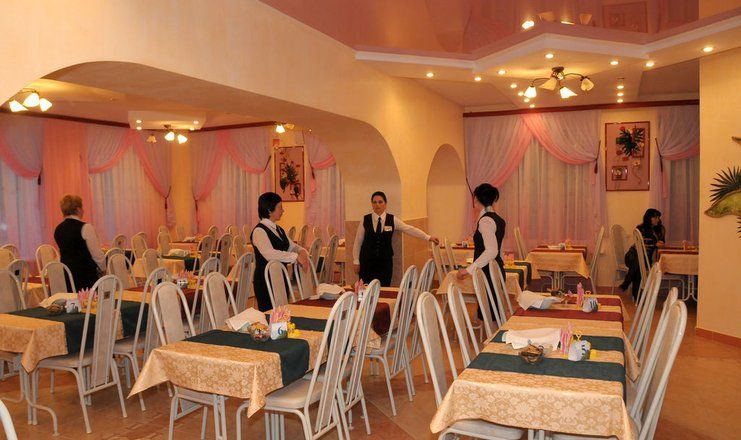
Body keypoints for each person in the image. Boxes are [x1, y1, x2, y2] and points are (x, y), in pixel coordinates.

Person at [353, 191, 439, 286]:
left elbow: (409, 229)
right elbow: (358, 241)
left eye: (380, 202)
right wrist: (356, 261)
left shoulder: (392, 219)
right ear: (372, 204)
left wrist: (428, 237)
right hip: (367, 262)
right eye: (374, 202)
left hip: (385, 263)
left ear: (385, 204)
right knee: (364, 289)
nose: (377, 204)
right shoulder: (365, 219)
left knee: (384, 288)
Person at [250, 192, 310, 311]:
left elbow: (292, 246)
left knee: (282, 314)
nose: (283, 211)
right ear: (269, 210)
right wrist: (295, 257)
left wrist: (302, 252)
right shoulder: (259, 231)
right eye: (280, 207)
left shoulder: (279, 229)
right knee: (270, 316)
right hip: (266, 281)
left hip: (280, 278)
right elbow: (269, 254)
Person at [456, 184, 505, 317]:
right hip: (494, 268)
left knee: (490, 314)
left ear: (476, 199)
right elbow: (499, 249)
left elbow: (492, 250)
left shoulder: (486, 221)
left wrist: (468, 269)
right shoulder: (497, 219)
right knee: (492, 311)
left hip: (488, 271)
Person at [53, 195, 105, 290]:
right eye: (82, 208)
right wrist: (103, 269)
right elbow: (97, 255)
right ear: (78, 209)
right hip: (86, 276)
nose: (83, 211)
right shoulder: (86, 228)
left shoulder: (58, 229)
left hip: (67, 276)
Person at [620, 208, 666, 300]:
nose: (657, 220)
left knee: (639, 265)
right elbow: (641, 245)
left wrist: (660, 244)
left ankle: (628, 284)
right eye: (655, 217)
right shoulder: (640, 228)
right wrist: (654, 245)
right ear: (649, 218)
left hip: (645, 258)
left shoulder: (661, 229)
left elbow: (662, 242)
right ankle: (635, 295)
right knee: (639, 263)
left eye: (658, 217)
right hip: (632, 255)